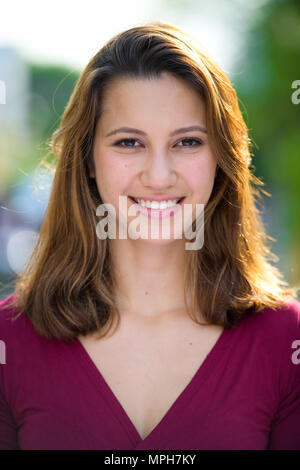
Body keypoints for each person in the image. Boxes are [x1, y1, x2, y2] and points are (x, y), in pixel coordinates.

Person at [0, 21, 300, 451]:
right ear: (87, 158)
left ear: (220, 158)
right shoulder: (9, 341)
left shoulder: (285, 342)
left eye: (187, 142)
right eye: (129, 143)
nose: (159, 176)